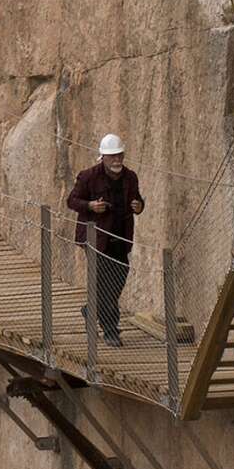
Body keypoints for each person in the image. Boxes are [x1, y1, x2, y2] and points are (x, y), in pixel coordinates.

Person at [67, 133, 144, 347]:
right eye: (112, 157)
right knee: (103, 284)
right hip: (96, 239)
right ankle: (111, 330)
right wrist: (91, 206)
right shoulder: (88, 176)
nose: (117, 160)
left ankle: (90, 310)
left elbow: (137, 200)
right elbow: (72, 200)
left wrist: (139, 205)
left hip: (120, 238)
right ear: (103, 157)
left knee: (119, 278)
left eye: (119, 155)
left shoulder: (130, 177)